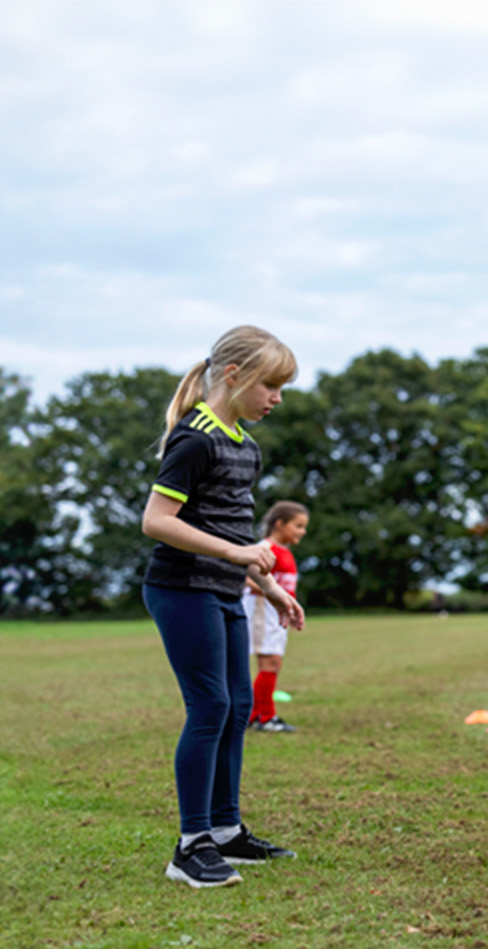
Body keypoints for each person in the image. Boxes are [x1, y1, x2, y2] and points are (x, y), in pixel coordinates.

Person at [141, 325, 309, 889]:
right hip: (181, 589)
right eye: (271, 385)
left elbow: (236, 531)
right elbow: (157, 522)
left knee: (238, 706)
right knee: (209, 707)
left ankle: (224, 830)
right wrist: (240, 553)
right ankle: (190, 847)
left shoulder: (245, 446)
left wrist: (271, 588)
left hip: (226, 589)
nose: (277, 398)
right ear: (233, 377)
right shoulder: (196, 439)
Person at [248, 501, 310, 734]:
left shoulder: (284, 551)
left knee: (273, 663)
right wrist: (265, 590)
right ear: (279, 523)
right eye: (298, 525)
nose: (302, 532)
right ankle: (263, 716)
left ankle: (257, 714)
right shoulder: (264, 549)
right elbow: (242, 575)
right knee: (270, 662)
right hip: (263, 611)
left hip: (277, 614)